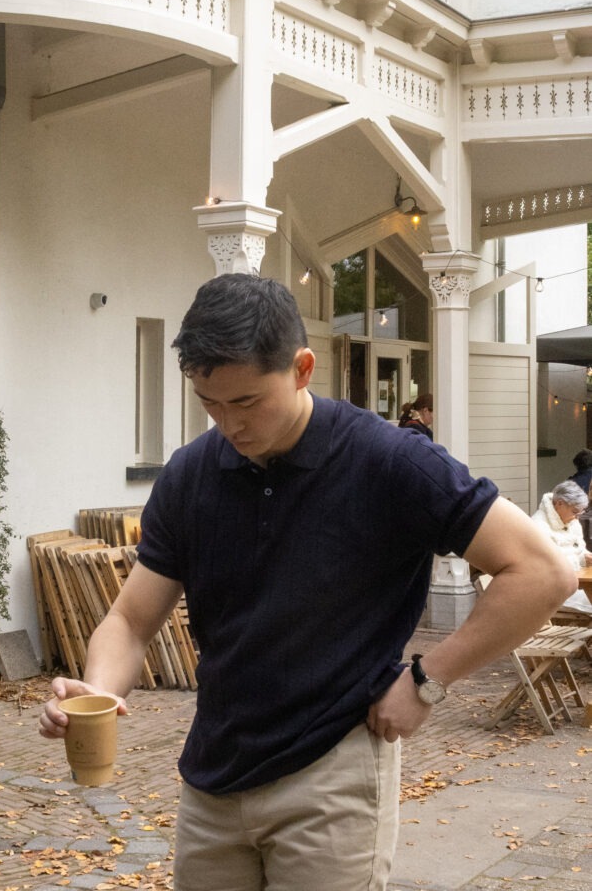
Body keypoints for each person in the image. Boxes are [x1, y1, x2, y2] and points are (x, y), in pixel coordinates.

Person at [40, 273, 575, 891]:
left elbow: (542, 571)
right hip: (213, 780)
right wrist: (99, 693)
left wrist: (427, 682)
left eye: (245, 402)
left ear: (301, 369)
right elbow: (130, 621)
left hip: (334, 772)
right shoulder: (190, 476)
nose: (228, 424)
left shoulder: (390, 462)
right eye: (209, 403)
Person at [531, 479, 592, 615]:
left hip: (577, 583)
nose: (577, 517)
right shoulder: (538, 527)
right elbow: (551, 565)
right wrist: (580, 560)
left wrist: (586, 556)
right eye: (575, 512)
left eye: (580, 513)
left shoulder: (572, 522)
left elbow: (580, 549)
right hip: (554, 590)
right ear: (559, 504)